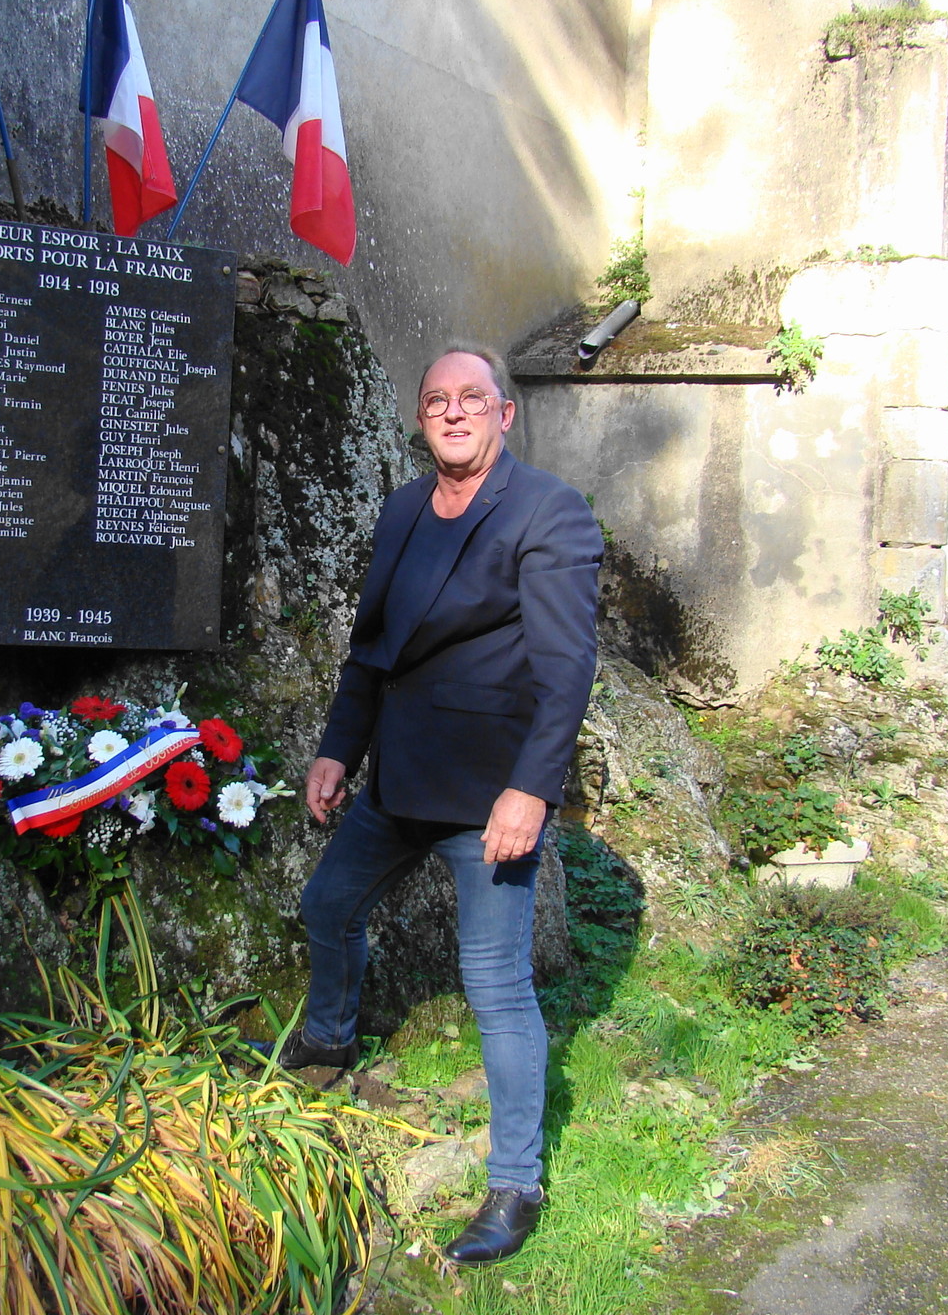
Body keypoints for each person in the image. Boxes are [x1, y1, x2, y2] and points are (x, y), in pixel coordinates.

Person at [289, 345, 602, 1266]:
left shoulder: (549, 511)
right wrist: (338, 748)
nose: (454, 412)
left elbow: (565, 669)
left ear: (506, 414)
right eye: (436, 401)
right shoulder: (402, 508)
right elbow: (372, 648)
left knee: (495, 985)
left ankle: (515, 1186)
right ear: (419, 418)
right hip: (399, 774)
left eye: (472, 398)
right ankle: (328, 1037)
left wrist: (531, 790)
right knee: (328, 906)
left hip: (489, 791)